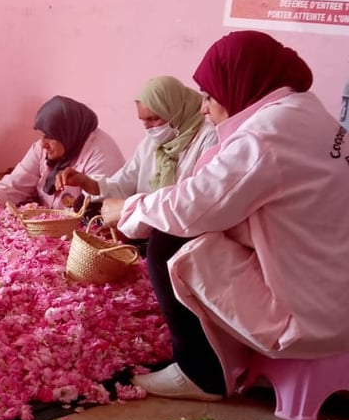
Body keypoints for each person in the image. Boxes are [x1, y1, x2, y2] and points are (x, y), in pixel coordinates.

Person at [100, 30, 349, 401]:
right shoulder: (305, 110)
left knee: (170, 238)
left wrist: (128, 208)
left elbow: (193, 207)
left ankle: (200, 374)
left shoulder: (264, 136)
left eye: (209, 96)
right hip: (333, 295)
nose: (204, 108)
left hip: (311, 315)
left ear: (240, 85)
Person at [55, 76, 218, 220]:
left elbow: (197, 199)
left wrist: (137, 217)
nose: (147, 127)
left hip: (180, 224)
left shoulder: (207, 137)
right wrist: (85, 181)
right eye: (143, 120)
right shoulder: (151, 142)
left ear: (175, 110)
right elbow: (123, 184)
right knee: (89, 206)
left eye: (153, 119)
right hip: (144, 219)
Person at [0, 95, 125, 219]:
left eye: (49, 137)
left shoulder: (101, 155)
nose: (43, 144)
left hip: (84, 232)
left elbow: (96, 210)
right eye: (41, 136)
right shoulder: (47, 147)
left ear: (67, 133)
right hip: (52, 224)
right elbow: (17, 181)